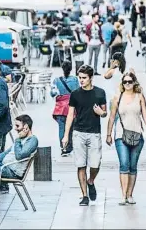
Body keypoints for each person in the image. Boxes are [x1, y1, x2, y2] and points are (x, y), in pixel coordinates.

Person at [62, 65, 107, 206]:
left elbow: (104, 112)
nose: (81, 80)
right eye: (79, 78)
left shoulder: (100, 93)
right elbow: (70, 115)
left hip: (94, 133)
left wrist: (101, 113)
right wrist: (65, 135)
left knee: (95, 164)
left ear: (91, 78)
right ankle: (84, 195)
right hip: (78, 133)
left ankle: (91, 181)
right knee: (81, 165)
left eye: (84, 78)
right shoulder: (75, 94)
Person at [106, 72, 146, 205]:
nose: (127, 84)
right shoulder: (117, 98)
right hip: (121, 135)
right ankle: (123, 195)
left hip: (137, 134)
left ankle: (130, 194)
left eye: (129, 82)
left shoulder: (140, 97)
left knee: (133, 166)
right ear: (122, 83)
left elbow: (145, 115)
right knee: (124, 164)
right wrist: (109, 134)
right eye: (125, 82)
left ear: (134, 83)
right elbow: (111, 117)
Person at [0, 115, 38, 181]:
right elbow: (6, 152)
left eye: (17, 126)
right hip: (3, 166)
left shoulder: (32, 140)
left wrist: (18, 139)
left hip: (12, 172)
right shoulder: (21, 139)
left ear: (26, 126)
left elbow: (19, 156)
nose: (15, 128)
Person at [50, 61, 79, 157]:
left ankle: (63, 147)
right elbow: (77, 92)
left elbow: (52, 93)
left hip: (60, 108)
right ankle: (69, 147)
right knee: (70, 128)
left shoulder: (56, 80)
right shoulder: (75, 79)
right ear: (71, 69)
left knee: (61, 128)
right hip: (71, 107)